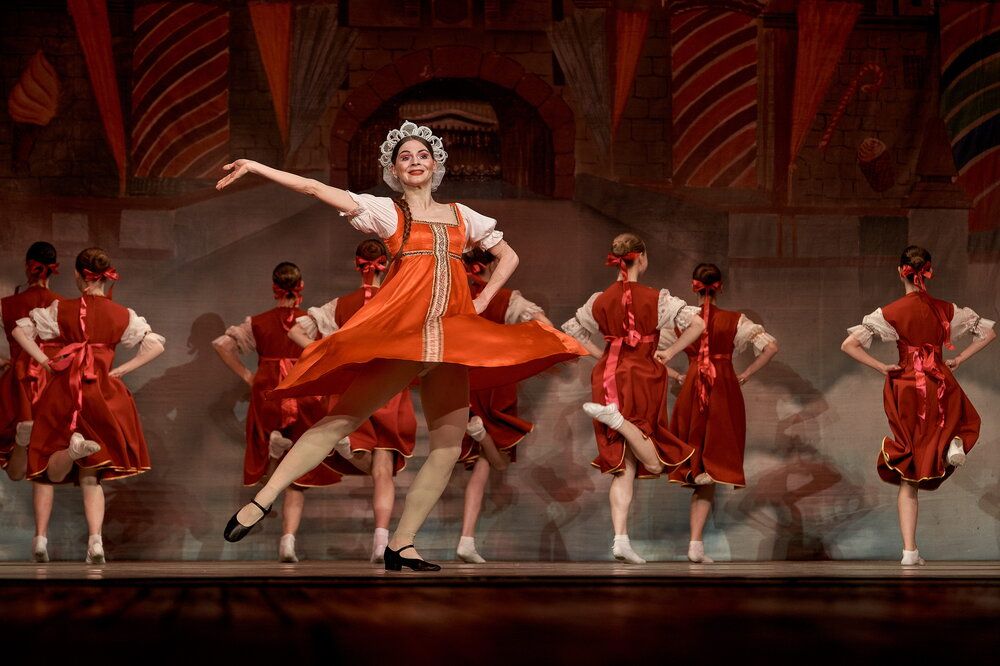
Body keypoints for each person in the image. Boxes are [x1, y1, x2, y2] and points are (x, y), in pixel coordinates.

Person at [217, 121, 586, 571]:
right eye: (405, 156)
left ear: (436, 165)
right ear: (394, 169)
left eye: (422, 155)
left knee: (448, 447)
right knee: (342, 419)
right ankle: (264, 500)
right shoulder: (387, 214)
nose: (415, 161)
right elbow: (314, 187)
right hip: (405, 339)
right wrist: (257, 166)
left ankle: (402, 544)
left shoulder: (462, 215)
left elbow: (508, 255)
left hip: (451, 342)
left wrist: (485, 297)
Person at [841, 246, 994, 565]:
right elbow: (989, 332)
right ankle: (954, 442)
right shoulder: (945, 308)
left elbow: (849, 344)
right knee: (963, 420)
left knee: (910, 460)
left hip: (907, 386)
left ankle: (909, 551)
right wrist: (959, 359)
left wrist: (881, 367)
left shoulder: (890, 311)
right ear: (928, 270)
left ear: (901, 272)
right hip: (939, 378)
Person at [13, 247, 165, 563]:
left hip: (64, 388)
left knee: (45, 470)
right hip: (101, 391)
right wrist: (120, 370)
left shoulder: (60, 308)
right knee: (91, 475)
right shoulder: (121, 313)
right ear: (105, 275)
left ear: (78, 276)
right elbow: (155, 345)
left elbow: (19, 330)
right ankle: (96, 542)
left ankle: (40, 539)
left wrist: (44, 360)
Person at [562, 233, 704, 564]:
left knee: (623, 466)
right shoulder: (657, 298)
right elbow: (698, 324)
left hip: (607, 377)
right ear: (641, 257)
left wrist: (601, 353)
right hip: (642, 375)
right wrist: (670, 351)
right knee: (653, 461)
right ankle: (620, 421)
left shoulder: (599, 299)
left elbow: (571, 330)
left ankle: (621, 539)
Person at [287, 239, 416, 563]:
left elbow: (296, 332)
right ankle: (380, 543)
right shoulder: (399, 301)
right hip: (389, 385)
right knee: (384, 468)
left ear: (357, 264)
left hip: (354, 384)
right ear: (386, 265)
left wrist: (332, 353)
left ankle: (345, 446)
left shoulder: (342, 304)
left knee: (364, 453)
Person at [213, 261, 342, 563]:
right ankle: (288, 541)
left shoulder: (256, 321)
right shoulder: (309, 321)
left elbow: (222, 345)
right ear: (300, 287)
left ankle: (273, 452)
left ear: (274, 288)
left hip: (269, 387)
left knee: (267, 449)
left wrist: (248, 376)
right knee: (298, 468)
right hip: (303, 387)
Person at [666, 263, 778, 564]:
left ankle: (695, 542)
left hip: (693, 383)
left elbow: (655, 353)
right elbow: (770, 347)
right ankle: (696, 543)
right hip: (723, 383)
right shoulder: (735, 320)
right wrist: (747, 373)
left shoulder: (682, 320)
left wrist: (677, 376)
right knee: (714, 458)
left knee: (698, 454)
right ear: (721, 287)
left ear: (693, 286)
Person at [455, 249, 551, 563]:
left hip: (460, 382)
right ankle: (466, 540)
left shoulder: (453, 295)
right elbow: (540, 322)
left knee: (473, 465)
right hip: (495, 383)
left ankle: (465, 539)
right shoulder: (507, 299)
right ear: (493, 266)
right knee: (494, 463)